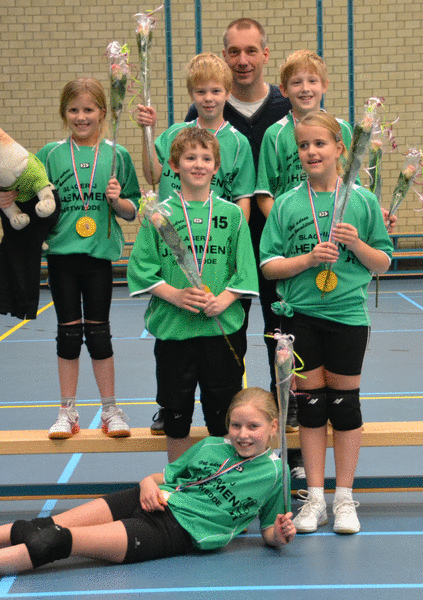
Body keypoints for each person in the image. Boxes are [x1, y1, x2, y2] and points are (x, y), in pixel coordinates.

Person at [0, 387, 296, 576]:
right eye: (236, 425)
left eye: (253, 427)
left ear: (273, 427)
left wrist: (279, 535)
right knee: (38, 527)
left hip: (173, 531)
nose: (242, 434)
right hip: (145, 498)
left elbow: (269, 530)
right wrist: (147, 482)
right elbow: (165, 477)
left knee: (53, 540)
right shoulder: (210, 446)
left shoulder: (274, 474)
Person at [260, 112, 393, 534]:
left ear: (340, 148)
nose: (311, 152)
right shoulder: (286, 203)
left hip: (347, 317)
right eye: (303, 145)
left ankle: (344, 498)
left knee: (345, 405)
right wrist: (307, 260)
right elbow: (269, 266)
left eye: (320, 143)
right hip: (301, 318)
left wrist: (357, 243)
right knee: (312, 407)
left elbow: (383, 262)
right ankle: (315, 498)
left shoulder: (363, 202)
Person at [0, 78, 141, 439]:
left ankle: (110, 409)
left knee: (99, 335)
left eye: (88, 109)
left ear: (102, 112)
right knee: (68, 336)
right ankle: (67, 411)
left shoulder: (117, 154)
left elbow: (132, 210)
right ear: (63, 113)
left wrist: (118, 200)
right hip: (60, 257)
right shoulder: (50, 154)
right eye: (74, 110)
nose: (81, 116)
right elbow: (20, 190)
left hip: (99, 257)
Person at [185, 18, 305, 477]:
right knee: (226, 343)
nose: (242, 60)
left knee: (282, 339)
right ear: (224, 56)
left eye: (251, 50)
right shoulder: (204, 108)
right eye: (234, 51)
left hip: (281, 245)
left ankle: (290, 445)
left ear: (265, 54)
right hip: (223, 248)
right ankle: (230, 443)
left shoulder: (288, 105)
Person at [127, 127, 259, 462]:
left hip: (221, 329)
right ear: (174, 165)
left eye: (206, 158)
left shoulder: (232, 215)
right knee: (176, 418)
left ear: (217, 166)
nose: (198, 164)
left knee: (223, 417)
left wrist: (224, 299)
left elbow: (245, 269)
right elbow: (141, 268)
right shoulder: (158, 215)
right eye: (190, 158)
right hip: (175, 330)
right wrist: (175, 295)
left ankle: (222, 479)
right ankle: (178, 483)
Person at [136, 52, 255, 222]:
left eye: (216, 91)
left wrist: (237, 233)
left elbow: (242, 198)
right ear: (191, 94)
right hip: (170, 228)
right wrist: (148, 132)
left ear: (228, 93)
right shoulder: (174, 133)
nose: (208, 98)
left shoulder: (238, 143)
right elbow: (152, 177)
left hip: (213, 232)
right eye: (201, 91)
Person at [255, 49, 354, 218]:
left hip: (336, 224)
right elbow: (264, 195)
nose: (305, 88)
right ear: (283, 90)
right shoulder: (274, 134)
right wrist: (282, 226)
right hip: (293, 224)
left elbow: (352, 184)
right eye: (296, 83)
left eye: (312, 81)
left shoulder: (342, 129)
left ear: (324, 85)